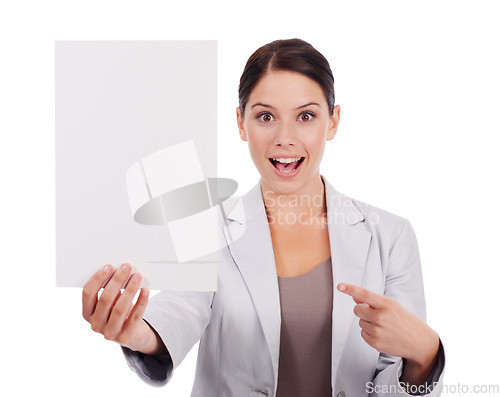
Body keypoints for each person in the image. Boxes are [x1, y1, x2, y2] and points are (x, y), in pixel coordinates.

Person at [82, 38, 445, 396]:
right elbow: (178, 309)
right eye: (266, 116)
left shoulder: (391, 235)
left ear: (333, 122)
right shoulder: (207, 229)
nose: (284, 138)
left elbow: (389, 383)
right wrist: (136, 332)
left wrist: (426, 354)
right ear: (241, 123)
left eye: (306, 116)